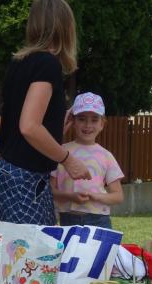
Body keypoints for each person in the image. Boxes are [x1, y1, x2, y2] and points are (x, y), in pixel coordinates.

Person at [0, 0, 90, 225]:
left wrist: (57, 124)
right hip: (25, 178)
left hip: (16, 174)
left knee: (32, 244)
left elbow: (21, 123)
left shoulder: (19, 62)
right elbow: (29, 127)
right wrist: (68, 160)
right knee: (33, 246)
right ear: (64, 27)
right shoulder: (47, 64)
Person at [51, 92, 124, 228]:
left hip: (99, 221)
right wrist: (71, 196)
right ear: (73, 121)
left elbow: (118, 196)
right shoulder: (60, 152)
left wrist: (96, 196)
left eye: (94, 120)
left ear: (102, 124)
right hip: (68, 220)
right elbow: (51, 191)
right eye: (82, 119)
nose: (88, 125)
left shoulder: (106, 156)